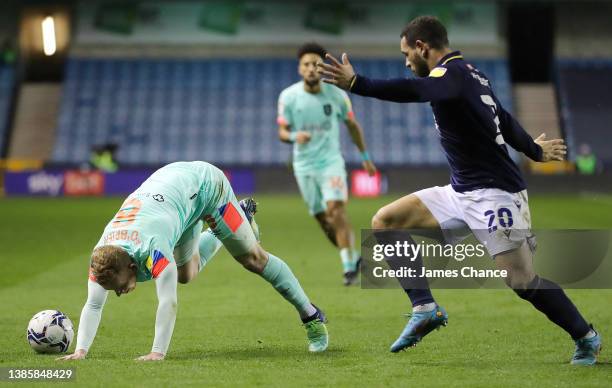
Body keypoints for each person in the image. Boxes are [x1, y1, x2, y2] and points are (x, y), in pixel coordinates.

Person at [317, 15, 601, 365]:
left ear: (423, 47)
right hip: (461, 192)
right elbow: (505, 118)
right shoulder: (472, 74)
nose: (407, 62)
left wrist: (358, 83)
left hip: (496, 195)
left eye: (407, 54)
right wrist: (534, 150)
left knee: (522, 281)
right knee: (385, 221)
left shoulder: (448, 75)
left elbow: (415, 91)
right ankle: (425, 308)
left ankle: (586, 337)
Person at [57, 161, 328, 361]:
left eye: (118, 286)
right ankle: (236, 221)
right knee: (186, 274)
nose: (118, 293)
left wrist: (157, 352)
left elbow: (168, 301)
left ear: (132, 266)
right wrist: (81, 351)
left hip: (207, 187)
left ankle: (311, 317)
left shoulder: (153, 249)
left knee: (253, 259)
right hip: (174, 200)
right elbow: (93, 303)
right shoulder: (103, 256)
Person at [277, 42, 377, 286]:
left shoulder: (337, 95)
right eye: (306, 64)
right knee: (324, 220)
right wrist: (293, 137)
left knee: (336, 209)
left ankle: (347, 268)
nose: (311, 68)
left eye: (315, 64)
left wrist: (365, 158)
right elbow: (282, 131)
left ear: (321, 68)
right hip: (303, 165)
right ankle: (353, 258)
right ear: (300, 69)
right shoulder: (288, 97)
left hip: (331, 162)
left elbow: (353, 126)